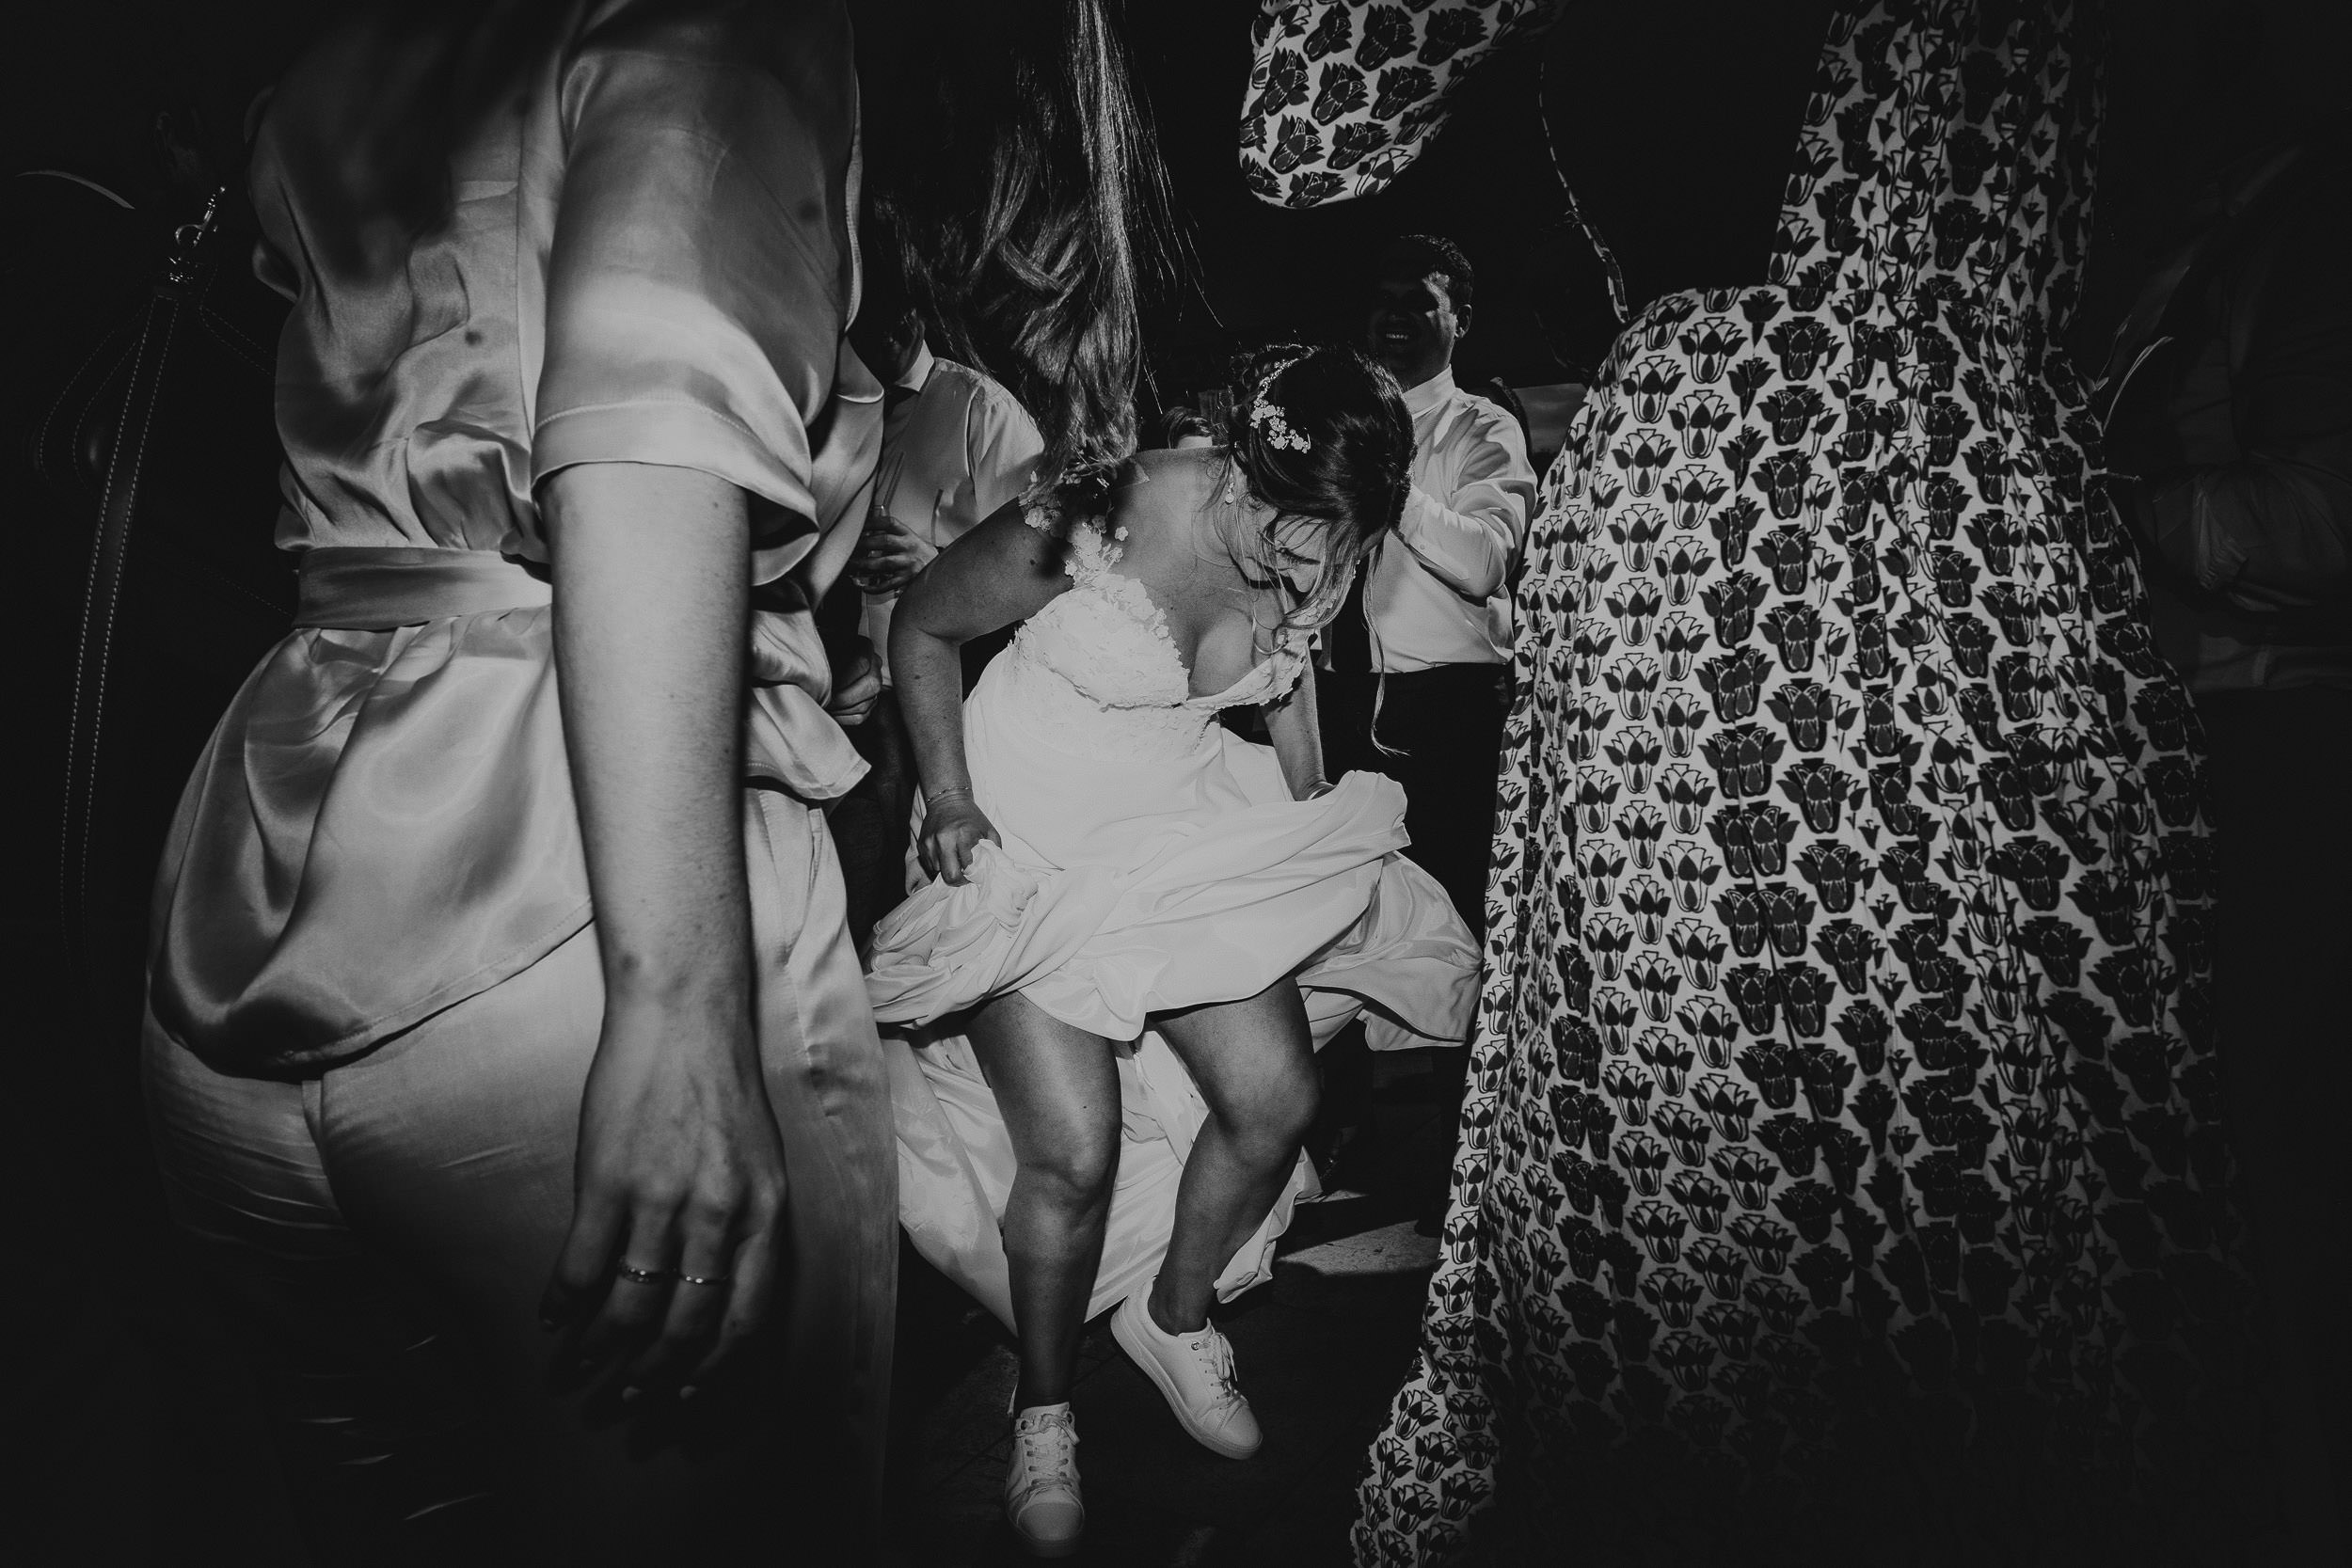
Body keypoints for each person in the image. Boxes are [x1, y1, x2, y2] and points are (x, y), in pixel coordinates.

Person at [135, 1, 1168, 1560]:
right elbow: (643, 449)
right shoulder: (726, 25)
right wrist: (681, 1008)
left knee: (388, 1510)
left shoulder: (368, 52)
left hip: (246, 858)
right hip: (571, 892)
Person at [1248, 3, 2252, 1563]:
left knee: (1750, 1129)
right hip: (1988, 498)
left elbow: (1308, 130)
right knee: (1962, 1110)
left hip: (1738, 488)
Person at [866, 345, 1479, 1557]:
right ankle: (1041, 1409)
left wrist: (1307, 813)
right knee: (1075, 1149)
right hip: (1027, 837)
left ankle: (1173, 1315)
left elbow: (1290, 672)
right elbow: (923, 627)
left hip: (1167, 832)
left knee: (1273, 1098)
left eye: (1342, 548)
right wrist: (945, 800)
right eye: (1303, 535)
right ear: (1247, 471)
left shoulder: (1324, 542)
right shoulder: (1102, 504)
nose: (1319, 571)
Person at [2104, 110, 2352, 1560]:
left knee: (2291, 1213)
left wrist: (2109, 516)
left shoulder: (2313, 217)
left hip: (2285, 759)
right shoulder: (2197, 217)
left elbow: (2328, 510)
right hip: (2207, 763)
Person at [1325, 234, 1537, 945]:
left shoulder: (1483, 427)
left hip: (1444, 712)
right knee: (1346, 910)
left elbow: (1485, 562)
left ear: (1462, 319)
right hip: (1340, 698)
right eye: (1383, 303)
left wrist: (1394, 486)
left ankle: (1462, 1057)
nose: (1395, 317)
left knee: (1450, 913)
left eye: (1419, 302)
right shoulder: (1337, 424)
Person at [831, 244, 1045, 949]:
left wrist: (938, 566)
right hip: (843, 696)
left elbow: (1044, 580)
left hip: (947, 703)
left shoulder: (985, 410)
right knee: (851, 899)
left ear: (917, 308)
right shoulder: (834, 413)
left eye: (890, 313)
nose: (876, 332)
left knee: (931, 906)